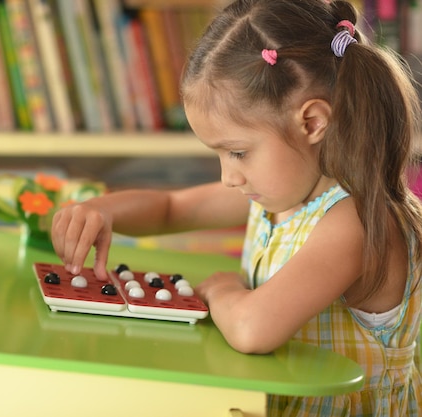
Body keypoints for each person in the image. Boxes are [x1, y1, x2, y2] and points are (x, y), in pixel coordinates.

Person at [51, 0, 422, 414]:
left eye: (238, 152)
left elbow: (251, 329)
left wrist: (224, 290)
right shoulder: (282, 194)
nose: (228, 176)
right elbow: (172, 208)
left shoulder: (355, 221)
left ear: (313, 122)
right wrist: (102, 211)